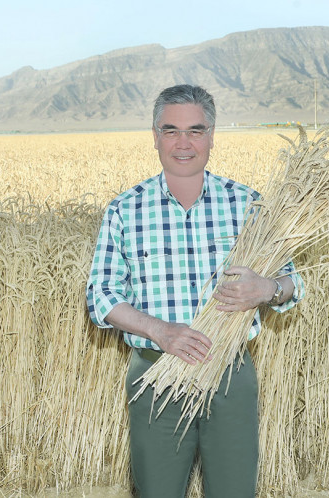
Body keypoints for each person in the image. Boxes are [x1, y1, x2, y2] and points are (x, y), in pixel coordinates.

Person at [86, 84, 304, 497]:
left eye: (195, 130)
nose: (183, 143)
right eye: (171, 130)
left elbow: (294, 283)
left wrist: (267, 288)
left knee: (234, 491)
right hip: (156, 375)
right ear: (154, 136)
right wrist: (160, 331)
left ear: (212, 136)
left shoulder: (248, 205)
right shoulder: (125, 210)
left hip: (230, 374)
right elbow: (101, 296)